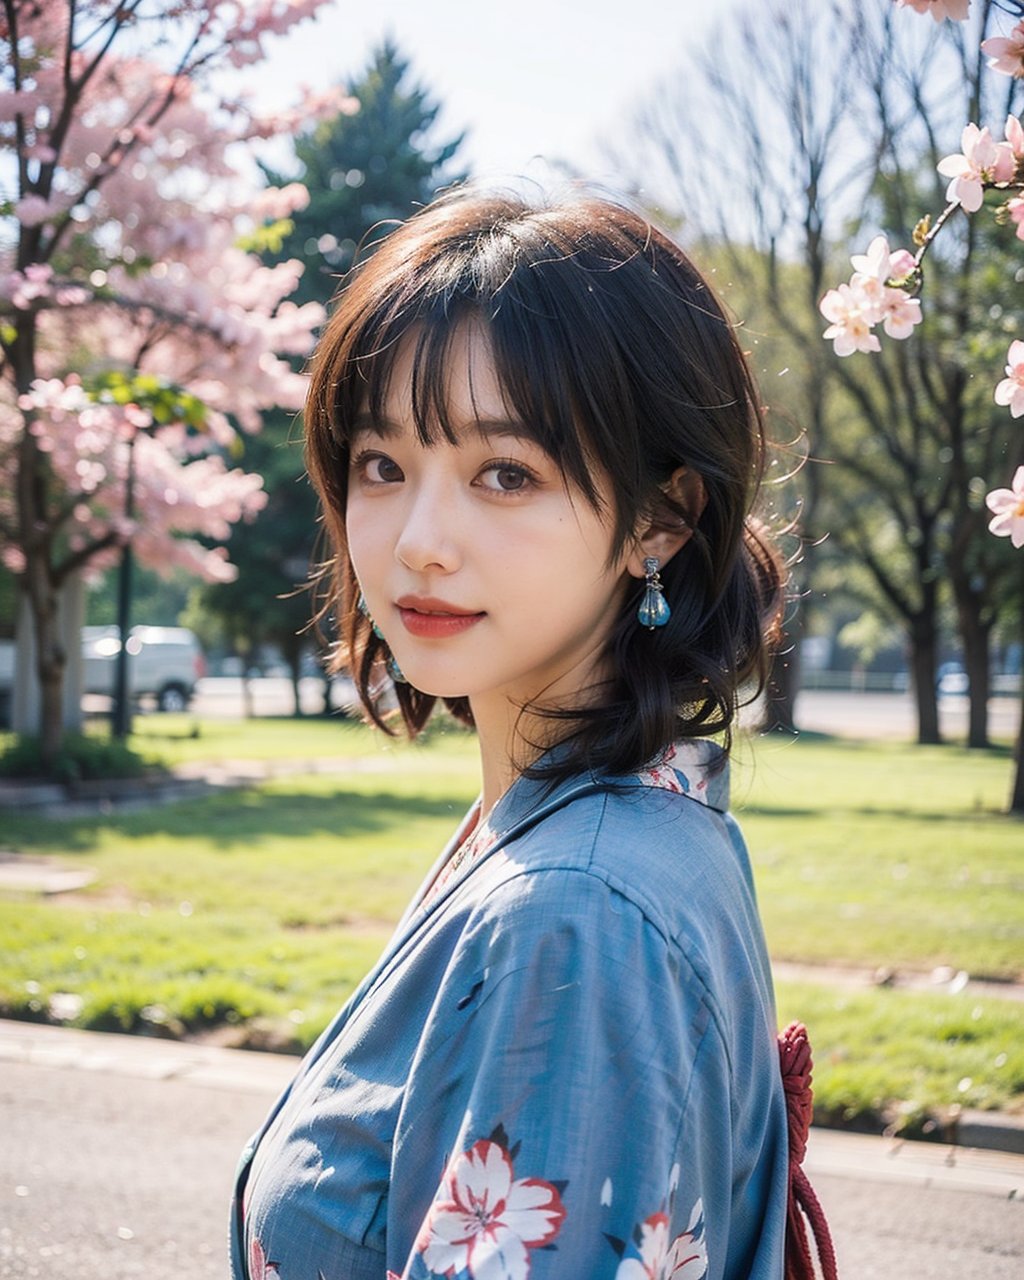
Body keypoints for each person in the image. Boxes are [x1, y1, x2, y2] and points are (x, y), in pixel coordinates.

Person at [229, 188, 818, 1280]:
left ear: (659, 517)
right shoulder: (611, 816)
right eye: (380, 464)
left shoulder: (574, 907)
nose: (418, 542)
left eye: (506, 473)